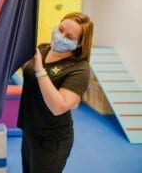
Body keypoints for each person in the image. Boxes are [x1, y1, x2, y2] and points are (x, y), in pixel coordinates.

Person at [17, 12, 94, 173]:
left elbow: (59, 107)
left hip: (51, 139)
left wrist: (40, 69)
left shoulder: (79, 68)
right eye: (60, 29)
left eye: (69, 37)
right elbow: (24, 68)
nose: (60, 36)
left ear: (79, 44)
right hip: (30, 130)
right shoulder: (43, 49)